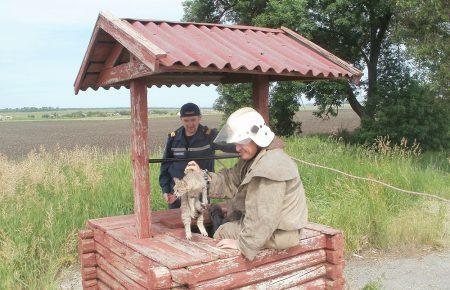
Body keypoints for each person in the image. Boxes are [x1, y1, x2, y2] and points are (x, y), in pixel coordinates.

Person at [185, 107, 308, 261]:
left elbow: (263, 218)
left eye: (241, 142)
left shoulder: (269, 167)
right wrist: (202, 179)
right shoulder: (257, 158)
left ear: (257, 137)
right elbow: (230, 180)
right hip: (273, 229)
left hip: (280, 234)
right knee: (229, 217)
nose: (237, 148)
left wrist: (243, 245)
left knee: (222, 232)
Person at [159, 103, 235, 209]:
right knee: (176, 222)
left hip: (200, 193)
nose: (190, 124)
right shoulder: (173, 138)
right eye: (186, 120)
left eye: (193, 120)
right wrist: (165, 190)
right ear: (181, 119)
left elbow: (233, 146)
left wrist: (254, 145)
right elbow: (165, 165)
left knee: (200, 223)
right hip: (177, 194)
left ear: (199, 118)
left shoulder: (210, 136)